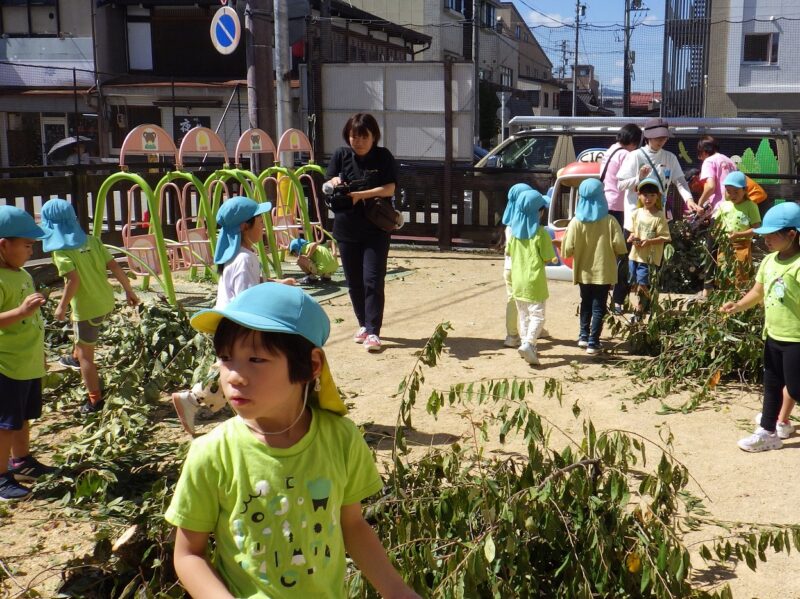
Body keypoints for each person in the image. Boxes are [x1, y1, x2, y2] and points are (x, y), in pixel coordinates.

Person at [165, 283, 421, 598]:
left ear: (311, 365)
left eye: (256, 360)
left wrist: (397, 590)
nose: (234, 376)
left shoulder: (341, 439)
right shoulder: (212, 454)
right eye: (226, 358)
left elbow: (351, 525)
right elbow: (188, 554)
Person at [172, 196, 281, 435]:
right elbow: (245, 297)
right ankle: (192, 400)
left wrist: (275, 284)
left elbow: (249, 286)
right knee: (241, 372)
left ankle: (196, 402)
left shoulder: (238, 255)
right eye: (259, 222)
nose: (263, 227)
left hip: (229, 324)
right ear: (245, 226)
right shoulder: (243, 258)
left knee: (236, 371)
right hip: (239, 324)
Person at [42, 198, 140, 414]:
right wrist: (129, 290)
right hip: (105, 301)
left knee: (88, 355)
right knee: (83, 341)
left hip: (87, 308)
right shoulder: (93, 241)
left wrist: (61, 306)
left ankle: (94, 399)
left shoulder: (61, 252)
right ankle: (74, 357)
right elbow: (114, 266)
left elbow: (73, 281)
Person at [721, 202, 800, 452]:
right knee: (771, 386)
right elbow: (758, 291)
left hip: (797, 340)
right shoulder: (768, 261)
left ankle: (777, 425)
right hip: (773, 336)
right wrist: (738, 306)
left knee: (796, 388)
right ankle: (768, 432)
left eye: (771, 235)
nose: (765, 239)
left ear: (791, 234)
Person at [325, 113, 398, 353]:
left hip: (376, 229)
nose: (357, 140)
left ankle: (374, 331)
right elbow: (327, 185)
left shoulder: (383, 156)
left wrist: (360, 195)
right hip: (346, 229)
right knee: (354, 281)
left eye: (363, 136)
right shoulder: (341, 155)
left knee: (372, 280)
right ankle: (364, 325)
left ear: (373, 136)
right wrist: (333, 183)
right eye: (353, 135)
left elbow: (389, 188)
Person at [0, 206, 55, 500]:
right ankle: (1, 476)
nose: (31, 252)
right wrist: (21, 311)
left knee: (23, 418)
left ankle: (22, 461)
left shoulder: (21, 273)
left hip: (27, 361)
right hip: (6, 364)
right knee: (5, 424)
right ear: (3, 245)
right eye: (27, 245)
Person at [561, 179, 627, 355]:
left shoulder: (575, 222)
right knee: (599, 306)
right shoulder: (610, 221)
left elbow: (567, 250)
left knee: (586, 303)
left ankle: (583, 336)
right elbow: (620, 247)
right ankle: (593, 342)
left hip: (583, 272)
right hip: (603, 272)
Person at [505, 190, 556, 365]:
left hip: (518, 281)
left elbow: (508, 252)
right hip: (535, 282)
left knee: (524, 314)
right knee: (538, 315)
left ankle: (528, 345)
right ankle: (529, 343)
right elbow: (548, 258)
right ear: (539, 212)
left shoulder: (514, 234)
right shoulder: (541, 233)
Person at [617, 117, 694, 232]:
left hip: (658, 218)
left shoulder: (670, 158)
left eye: (664, 138)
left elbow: (680, 181)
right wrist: (639, 178)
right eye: (657, 137)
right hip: (635, 219)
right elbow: (620, 185)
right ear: (648, 136)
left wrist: (689, 200)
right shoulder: (635, 156)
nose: (661, 141)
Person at [600, 124, 643, 313]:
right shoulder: (626, 155)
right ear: (635, 141)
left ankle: (605, 298)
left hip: (605, 204)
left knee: (608, 254)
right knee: (623, 254)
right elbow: (626, 183)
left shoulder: (610, 150)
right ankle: (618, 300)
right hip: (619, 207)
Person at [627, 178, 671, 320]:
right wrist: (632, 238)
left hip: (649, 258)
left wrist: (649, 242)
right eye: (645, 195)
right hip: (634, 256)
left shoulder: (659, 216)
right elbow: (632, 232)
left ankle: (641, 310)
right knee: (636, 284)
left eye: (652, 195)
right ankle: (649, 306)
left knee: (643, 285)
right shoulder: (636, 213)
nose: (648, 198)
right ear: (639, 196)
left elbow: (665, 237)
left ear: (657, 196)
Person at [714, 171, 762, 284]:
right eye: (729, 191)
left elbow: (757, 228)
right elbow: (716, 225)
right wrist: (716, 233)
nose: (732, 195)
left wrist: (739, 235)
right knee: (723, 273)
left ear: (745, 190)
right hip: (724, 246)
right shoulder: (724, 205)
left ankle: (740, 299)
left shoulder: (751, 206)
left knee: (741, 275)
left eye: (736, 192)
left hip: (742, 246)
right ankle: (724, 297)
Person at [501, 183, 533, 348]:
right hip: (525, 268)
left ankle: (511, 335)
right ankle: (531, 332)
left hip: (509, 268)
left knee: (512, 299)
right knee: (532, 300)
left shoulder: (509, 225)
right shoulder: (530, 224)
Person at [690, 136, 737, 216]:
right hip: (735, 206)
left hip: (720, 209)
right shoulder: (730, 162)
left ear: (704, 152)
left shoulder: (709, 161)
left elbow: (710, 186)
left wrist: (700, 203)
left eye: (700, 154)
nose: (700, 158)